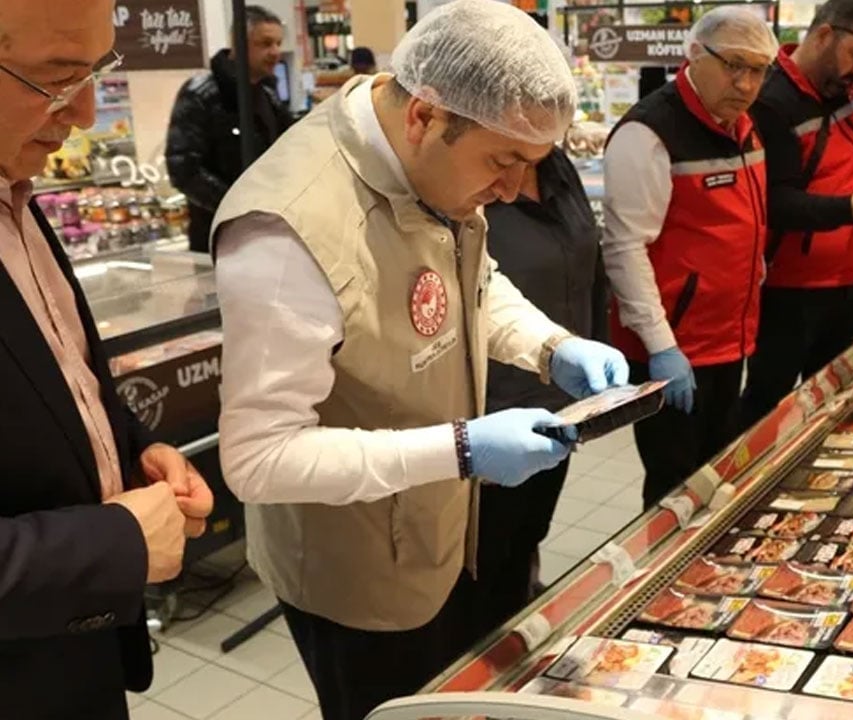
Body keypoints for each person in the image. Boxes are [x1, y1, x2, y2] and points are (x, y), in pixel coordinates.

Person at [212, 2, 627, 719]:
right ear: (424, 117)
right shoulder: (286, 232)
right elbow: (258, 459)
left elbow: (473, 282)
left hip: (440, 532)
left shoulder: (432, 164)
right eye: (503, 162)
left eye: (529, 165)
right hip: (356, 573)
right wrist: (461, 448)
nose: (511, 190)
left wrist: (551, 346)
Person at [0, 1, 214, 716]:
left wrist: (129, 451)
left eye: (96, 72)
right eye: (56, 79)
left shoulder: (17, 192)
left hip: (70, 663)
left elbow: (57, 379)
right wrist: (113, 544)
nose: (86, 114)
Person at [602, 7, 777, 509]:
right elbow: (624, 246)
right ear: (695, 55)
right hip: (676, 347)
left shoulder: (742, 125)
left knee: (714, 472)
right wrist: (661, 345)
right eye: (734, 65)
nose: (746, 84)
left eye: (758, 71)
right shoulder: (649, 133)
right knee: (673, 487)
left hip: (729, 338)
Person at [739, 0, 853, 430]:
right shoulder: (772, 100)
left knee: (835, 405)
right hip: (790, 290)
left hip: (852, 280)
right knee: (768, 410)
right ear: (823, 35)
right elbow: (774, 202)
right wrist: (852, 209)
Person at [468, 142, 609, 641]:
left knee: (528, 532)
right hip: (492, 408)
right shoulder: (469, 177)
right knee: (486, 556)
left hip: (559, 400)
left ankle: (517, 614)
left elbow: (589, 263)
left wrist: (582, 349)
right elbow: (479, 289)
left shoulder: (555, 165)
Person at [165, 5, 292, 253]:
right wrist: (238, 207)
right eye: (266, 43)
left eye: (278, 43)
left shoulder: (268, 96)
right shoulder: (201, 94)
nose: (275, 52)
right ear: (239, 43)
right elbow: (183, 169)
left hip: (266, 236)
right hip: (218, 239)